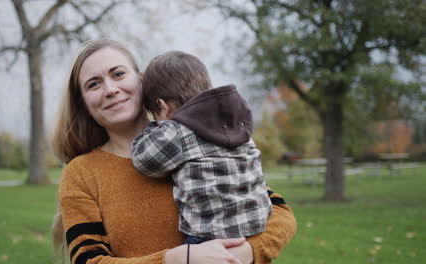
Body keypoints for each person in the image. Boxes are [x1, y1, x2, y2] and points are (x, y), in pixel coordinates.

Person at [52, 38, 297, 264]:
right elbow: (88, 260)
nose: (110, 89)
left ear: (141, 79)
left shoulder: (200, 137)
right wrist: (176, 259)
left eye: (118, 74)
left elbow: (280, 213)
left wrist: (246, 253)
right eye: (94, 84)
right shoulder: (82, 173)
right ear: (83, 102)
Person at [130, 51, 271, 245]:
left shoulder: (178, 131)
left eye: (156, 114)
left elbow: (143, 160)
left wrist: (154, 127)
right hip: (255, 226)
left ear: (162, 106)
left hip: (209, 234)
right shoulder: (235, 122)